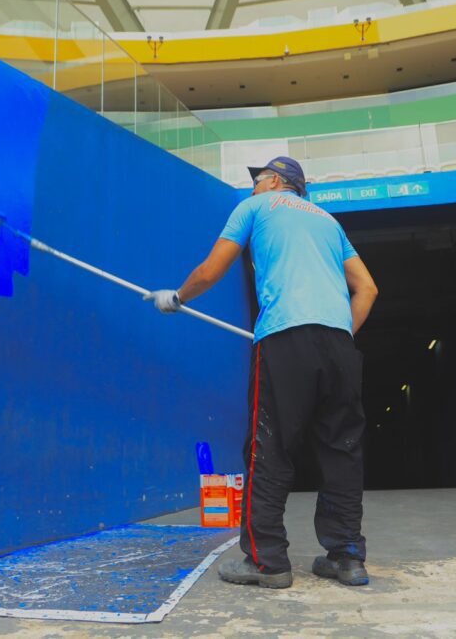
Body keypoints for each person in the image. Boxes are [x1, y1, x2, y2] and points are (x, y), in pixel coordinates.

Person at [145, 156, 378, 590]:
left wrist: (176, 297)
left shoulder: (255, 208)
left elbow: (213, 268)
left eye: (257, 179)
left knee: (268, 448)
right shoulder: (329, 222)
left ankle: (267, 562)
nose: (253, 186)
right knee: (341, 449)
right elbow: (368, 288)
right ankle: (347, 558)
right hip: (339, 345)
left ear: (275, 181)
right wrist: (341, 333)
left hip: (285, 338)